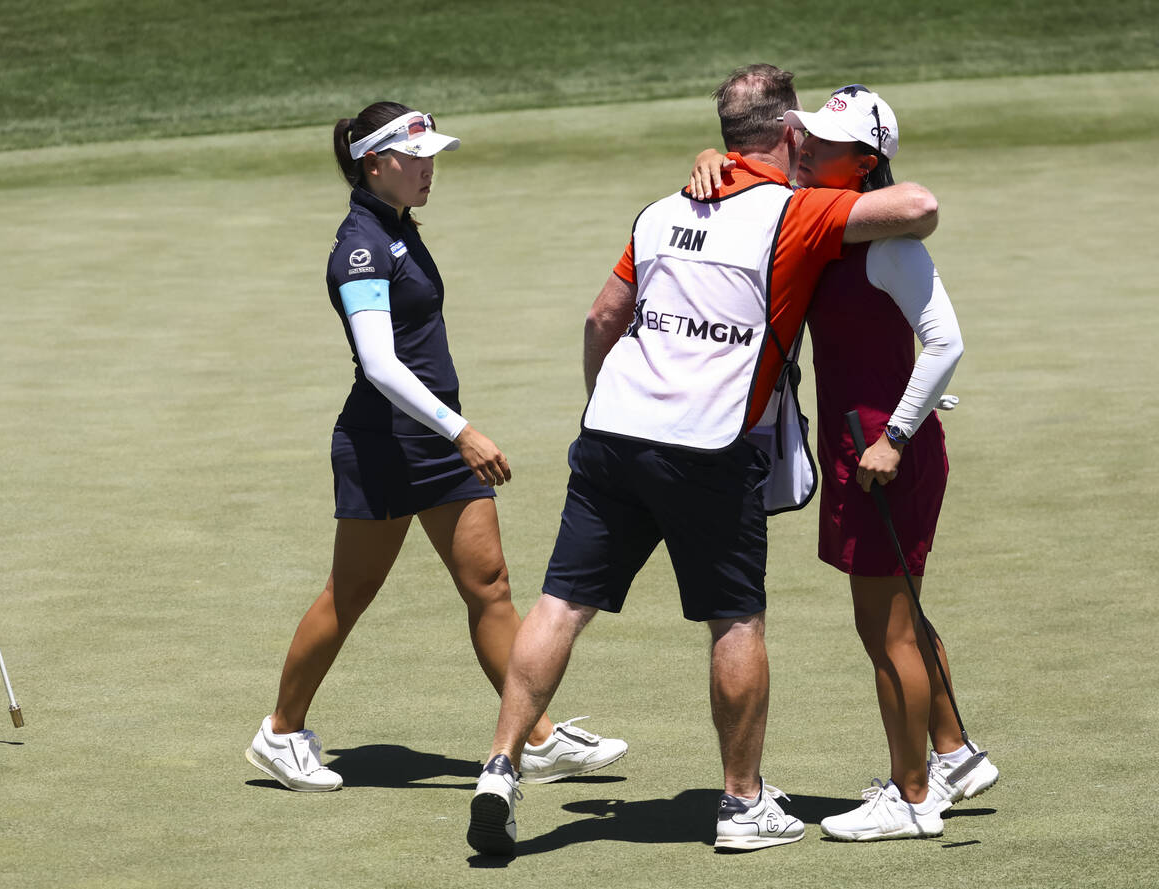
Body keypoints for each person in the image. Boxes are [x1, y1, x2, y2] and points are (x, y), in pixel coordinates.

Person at [465, 65, 941, 857]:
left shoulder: (660, 211)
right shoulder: (793, 215)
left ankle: (500, 763)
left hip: (613, 433)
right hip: (710, 449)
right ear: (790, 134)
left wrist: (607, 406)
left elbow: (602, 318)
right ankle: (742, 803)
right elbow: (918, 206)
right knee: (735, 618)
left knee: (560, 603)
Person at [246, 102, 626, 792]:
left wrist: (450, 431)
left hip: (432, 440)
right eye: (414, 157)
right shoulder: (360, 245)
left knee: (490, 587)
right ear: (374, 164)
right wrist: (462, 429)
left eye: (432, 156)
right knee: (351, 593)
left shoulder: (397, 227)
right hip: (386, 445)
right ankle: (279, 732)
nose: (429, 169)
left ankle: (534, 739)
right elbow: (381, 365)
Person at [691, 85, 999, 841]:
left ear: (862, 165)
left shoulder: (892, 245)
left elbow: (947, 343)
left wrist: (895, 433)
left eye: (824, 145)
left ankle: (915, 795)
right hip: (863, 446)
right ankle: (953, 755)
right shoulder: (828, 226)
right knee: (899, 616)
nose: (806, 149)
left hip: (882, 454)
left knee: (885, 627)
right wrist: (711, 160)